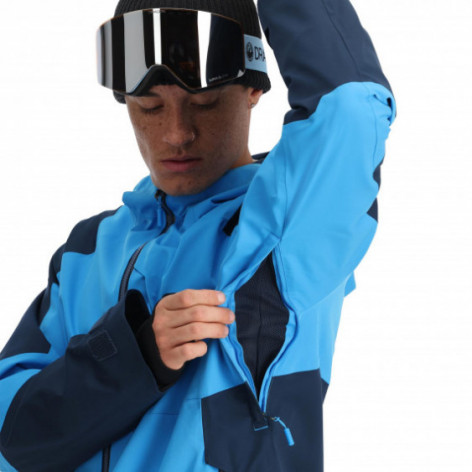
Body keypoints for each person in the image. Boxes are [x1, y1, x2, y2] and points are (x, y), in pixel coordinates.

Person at [0, 0, 396, 470]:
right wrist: (135, 356)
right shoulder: (88, 249)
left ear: (252, 89)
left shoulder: (289, 223)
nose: (176, 133)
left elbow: (349, 108)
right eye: (150, 106)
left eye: (204, 102)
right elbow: (11, 435)